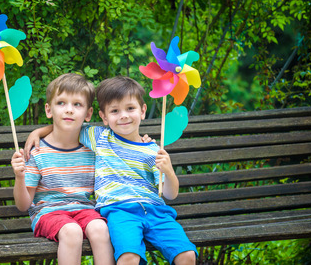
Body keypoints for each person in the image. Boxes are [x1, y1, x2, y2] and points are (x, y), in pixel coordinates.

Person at [25, 76, 197, 265]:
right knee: (128, 258)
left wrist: (169, 171)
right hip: (119, 211)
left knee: (187, 256)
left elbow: (171, 194)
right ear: (104, 117)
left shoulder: (154, 151)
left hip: (156, 211)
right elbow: (67, 122)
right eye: (115, 111)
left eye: (130, 108)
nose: (123, 115)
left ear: (143, 111)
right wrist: (37, 132)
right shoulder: (99, 138)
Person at [11, 73, 115, 265]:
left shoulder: (94, 145)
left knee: (101, 228)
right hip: (48, 213)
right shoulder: (38, 152)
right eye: (61, 103)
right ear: (49, 110)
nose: (69, 110)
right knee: (72, 231)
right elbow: (23, 205)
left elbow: (124, 136)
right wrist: (19, 176)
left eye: (77, 104)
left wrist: (144, 141)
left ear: (88, 113)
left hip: (84, 209)